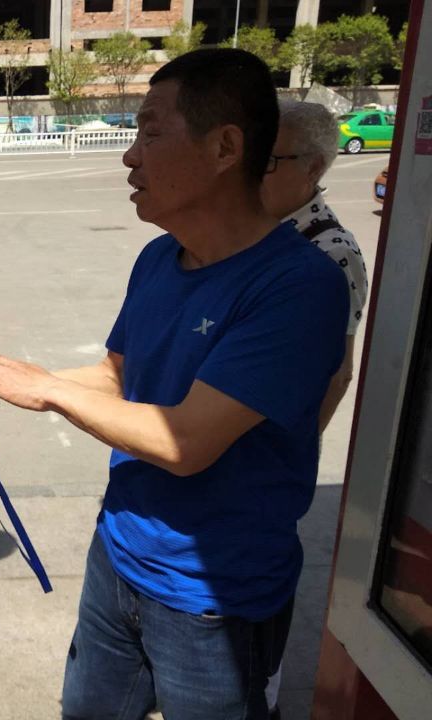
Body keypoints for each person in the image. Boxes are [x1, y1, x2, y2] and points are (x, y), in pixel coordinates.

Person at [0, 49, 349, 720]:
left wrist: (47, 391)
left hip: (213, 598)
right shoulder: (159, 259)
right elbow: (117, 376)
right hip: (118, 559)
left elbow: (185, 442)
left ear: (225, 147)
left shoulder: (298, 286)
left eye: (149, 132)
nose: (129, 157)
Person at [260, 100, 370, 719]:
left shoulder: (330, 251)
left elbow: (338, 373)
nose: (253, 172)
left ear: (315, 168)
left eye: (269, 160)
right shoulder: (258, 229)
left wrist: (290, 455)